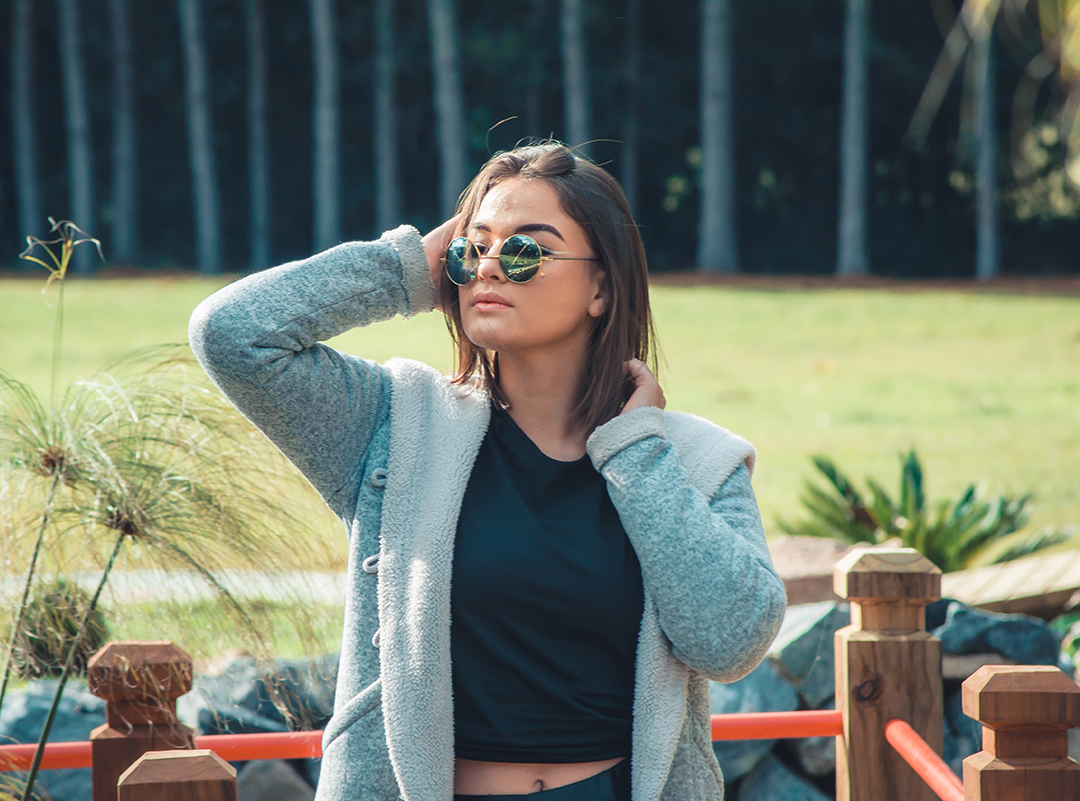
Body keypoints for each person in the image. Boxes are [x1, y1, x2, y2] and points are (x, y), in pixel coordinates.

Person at [189, 142, 786, 801]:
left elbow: (732, 641)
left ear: (601, 287)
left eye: (525, 251)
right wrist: (409, 269)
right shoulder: (392, 426)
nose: (491, 267)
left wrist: (636, 455)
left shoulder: (693, 461)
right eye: (472, 250)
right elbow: (232, 333)